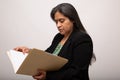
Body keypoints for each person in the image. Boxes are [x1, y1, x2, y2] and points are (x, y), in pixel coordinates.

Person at [14, 3, 95, 80]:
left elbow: (77, 72)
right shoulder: (58, 37)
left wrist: (48, 76)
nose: (58, 25)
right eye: (56, 22)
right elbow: (47, 56)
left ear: (73, 19)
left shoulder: (82, 39)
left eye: (61, 21)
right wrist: (29, 51)